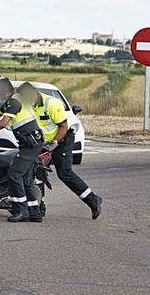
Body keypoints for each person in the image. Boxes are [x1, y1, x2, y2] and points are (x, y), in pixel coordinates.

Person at [18, 82, 102, 220]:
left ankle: (93, 200)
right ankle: (39, 207)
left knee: (64, 173)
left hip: (62, 140)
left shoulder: (52, 103)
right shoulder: (26, 105)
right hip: (43, 143)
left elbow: (63, 126)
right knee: (37, 172)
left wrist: (54, 144)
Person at [0, 78, 45, 223]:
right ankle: (35, 213)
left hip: (31, 145)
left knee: (14, 175)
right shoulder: (10, 101)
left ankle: (21, 211)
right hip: (30, 143)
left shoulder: (15, 101)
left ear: (5, 91)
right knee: (26, 180)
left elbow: (3, 123)